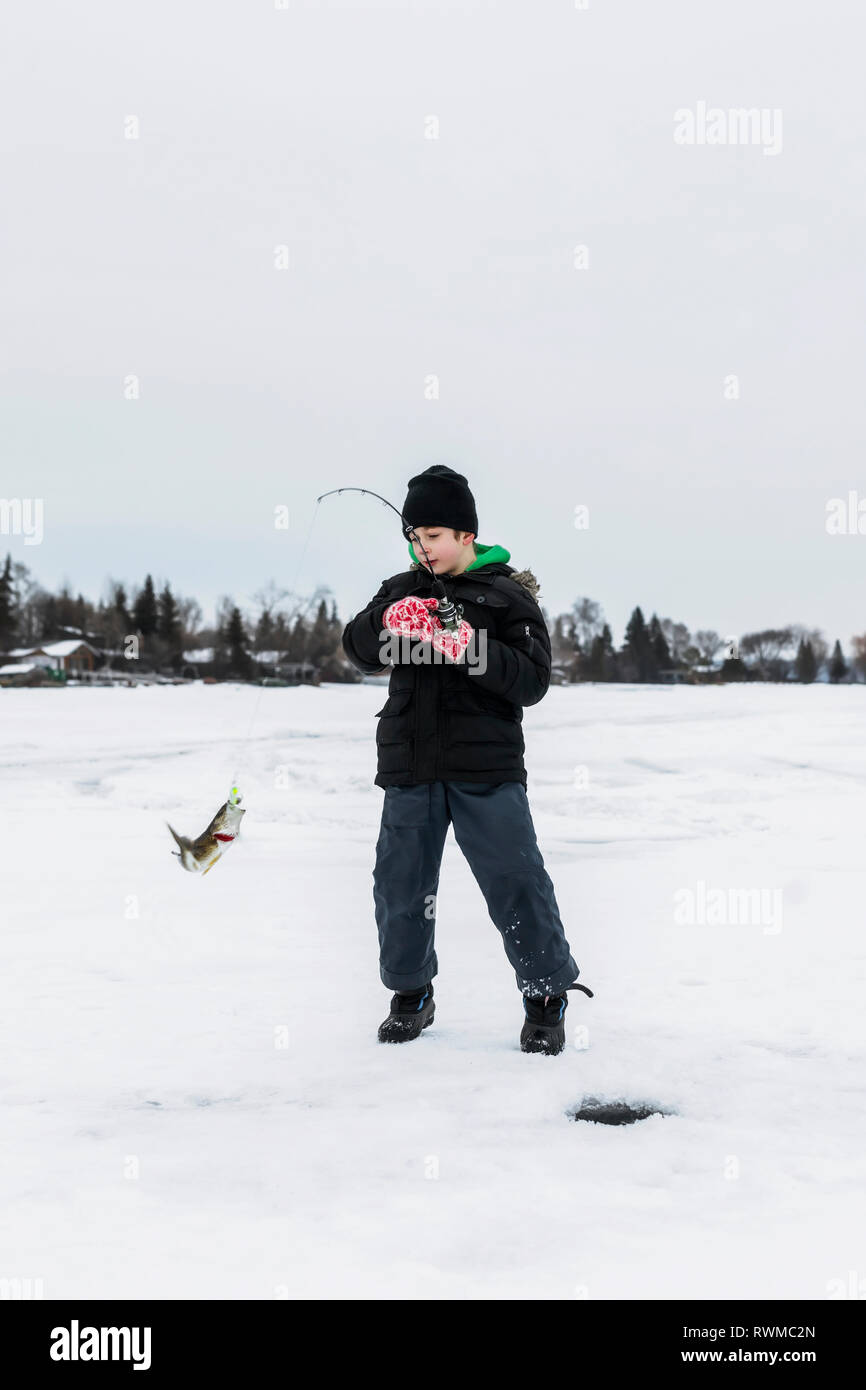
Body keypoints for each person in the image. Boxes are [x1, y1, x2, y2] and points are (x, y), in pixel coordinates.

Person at [340, 464, 593, 1055]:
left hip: (486, 770)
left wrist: (467, 647)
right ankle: (411, 995)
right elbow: (358, 649)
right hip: (410, 767)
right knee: (401, 887)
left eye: (432, 536)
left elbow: (531, 680)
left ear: (465, 536)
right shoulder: (400, 589)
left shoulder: (507, 595)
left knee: (515, 882)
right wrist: (386, 620)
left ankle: (545, 996)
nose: (421, 547)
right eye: (414, 537)